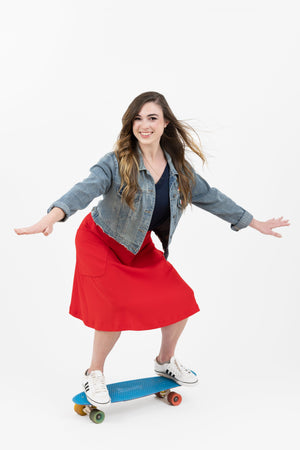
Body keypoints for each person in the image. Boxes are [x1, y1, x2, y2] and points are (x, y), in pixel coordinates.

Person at [14, 91, 290, 409]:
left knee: (181, 299)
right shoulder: (117, 162)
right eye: (138, 118)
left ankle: (165, 361)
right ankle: (94, 372)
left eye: (152, 118)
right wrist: (52, 216)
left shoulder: (179, 172)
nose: (144, 125)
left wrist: (255, 223)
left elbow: (213, 197)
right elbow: (84, 190)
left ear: (165, 124)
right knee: (111, 310)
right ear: (131, 123)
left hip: (136, 246)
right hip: (99, 241)